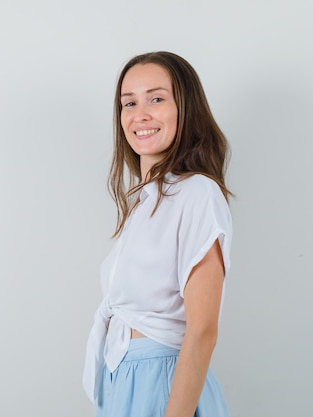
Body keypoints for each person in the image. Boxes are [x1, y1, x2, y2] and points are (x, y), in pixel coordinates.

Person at [82, 51, 233, 417]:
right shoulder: (143, 203)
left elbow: (202, 332)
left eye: (156, 98)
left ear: (186, 108)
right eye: (128, 103)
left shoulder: (197, 193)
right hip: (123, 381)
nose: (140, 115)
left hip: (161, 382)